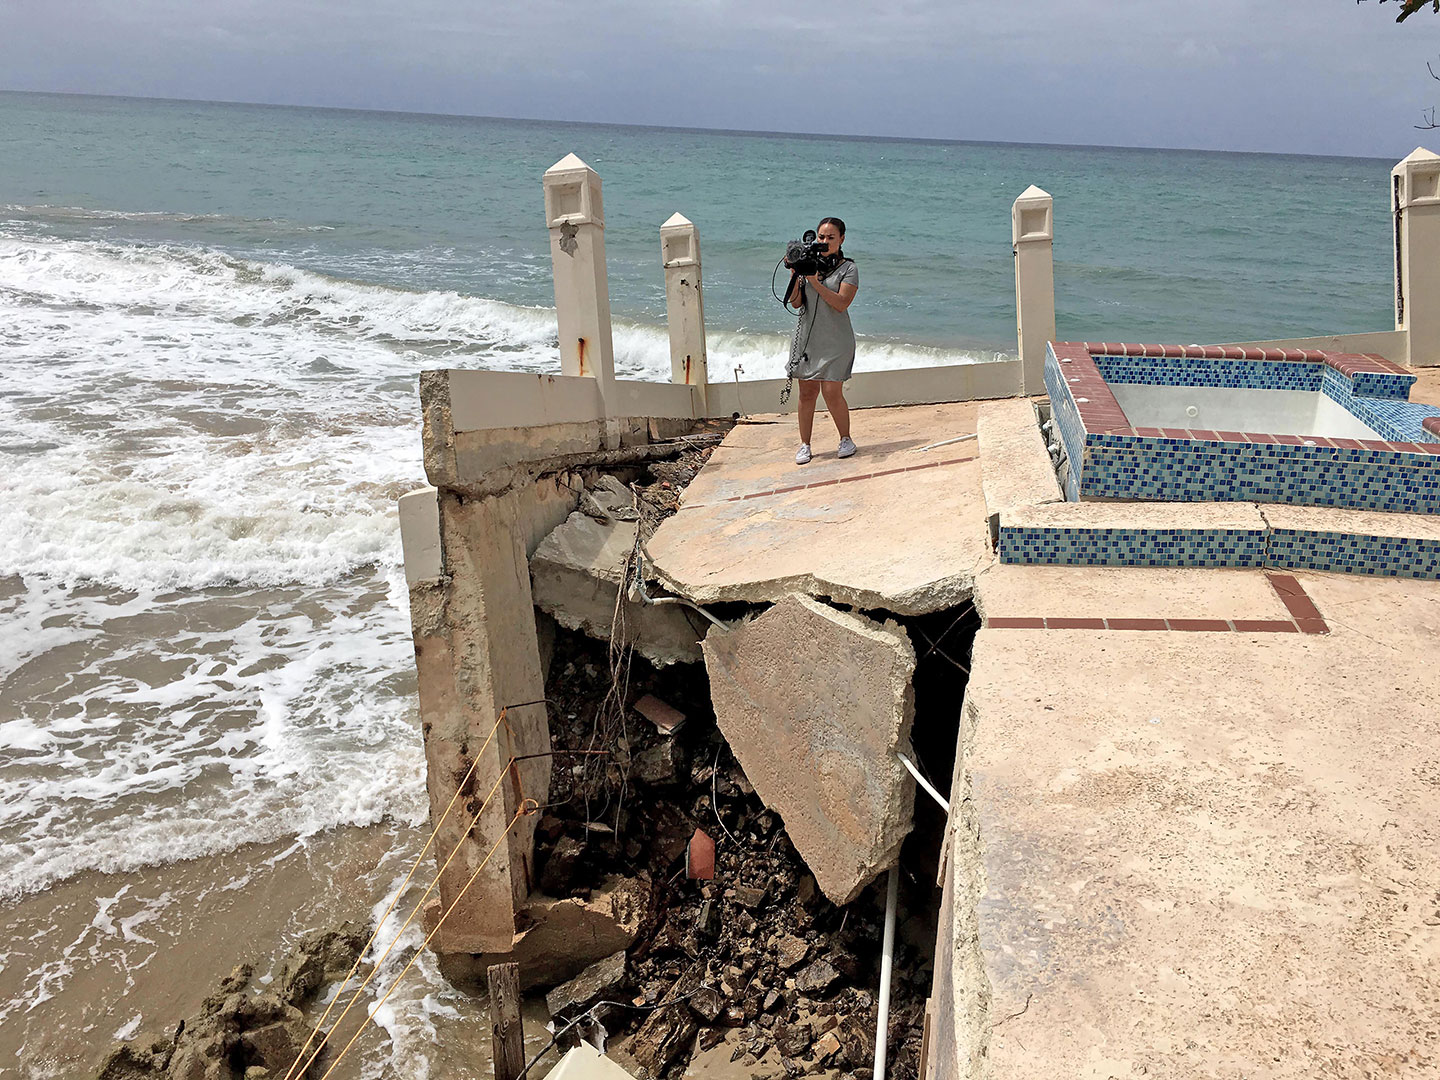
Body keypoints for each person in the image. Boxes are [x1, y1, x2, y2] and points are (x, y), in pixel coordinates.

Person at [785, 217, 859, 465]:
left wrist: (815, 282)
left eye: (830, 238)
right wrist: (797, 273)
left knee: (831, 391)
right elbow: (796, 303)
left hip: (837, 340)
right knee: (806, 392)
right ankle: (805, 444)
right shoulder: (808, 266)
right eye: (821, 237)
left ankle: (845, 438)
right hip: (807, 338)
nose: (824, 242)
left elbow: (841, 303)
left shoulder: (848, 269)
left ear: (841, 240)